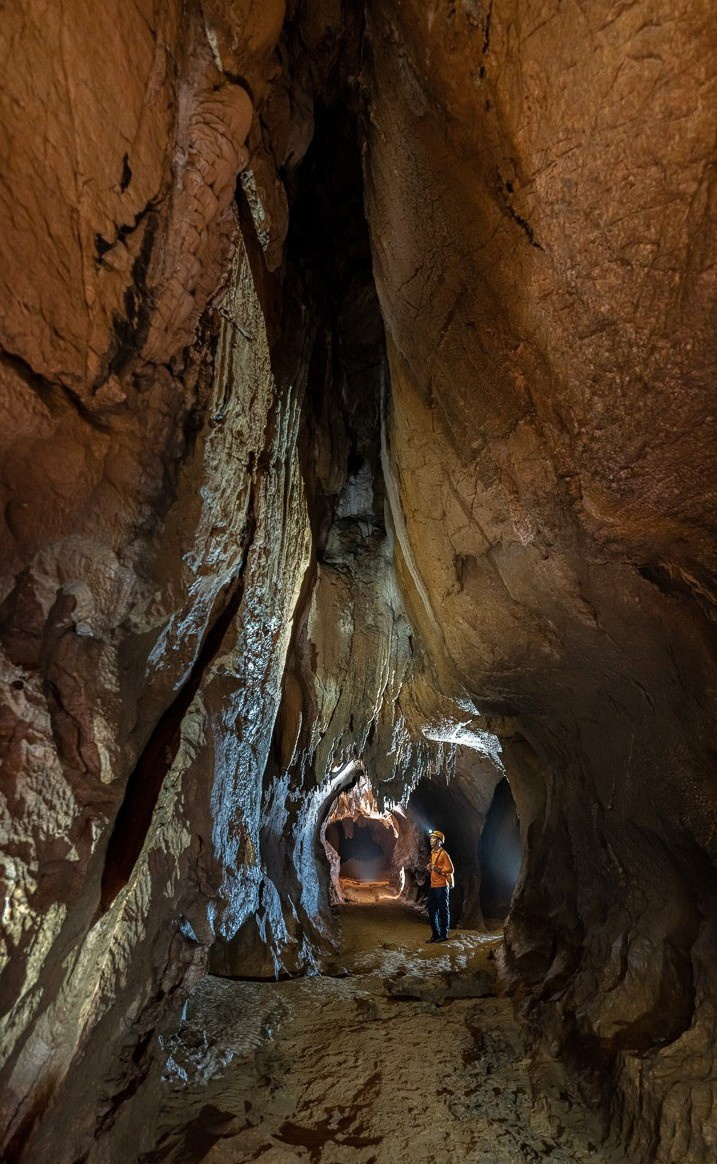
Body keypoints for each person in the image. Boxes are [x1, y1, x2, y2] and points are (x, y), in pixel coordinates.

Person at [425, 829, 454, 943]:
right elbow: (433, 866)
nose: (431, 840)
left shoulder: (443, 854)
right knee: (432, 911)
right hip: (433, 886)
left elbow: (451, 869)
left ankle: (444, 934)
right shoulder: (432, 853)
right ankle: (435, 934)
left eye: (434, 838)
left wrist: (438, 869)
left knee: (443, 910)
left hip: (442, 886)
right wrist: (429, 866)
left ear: (439, 841)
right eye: (431, 838)